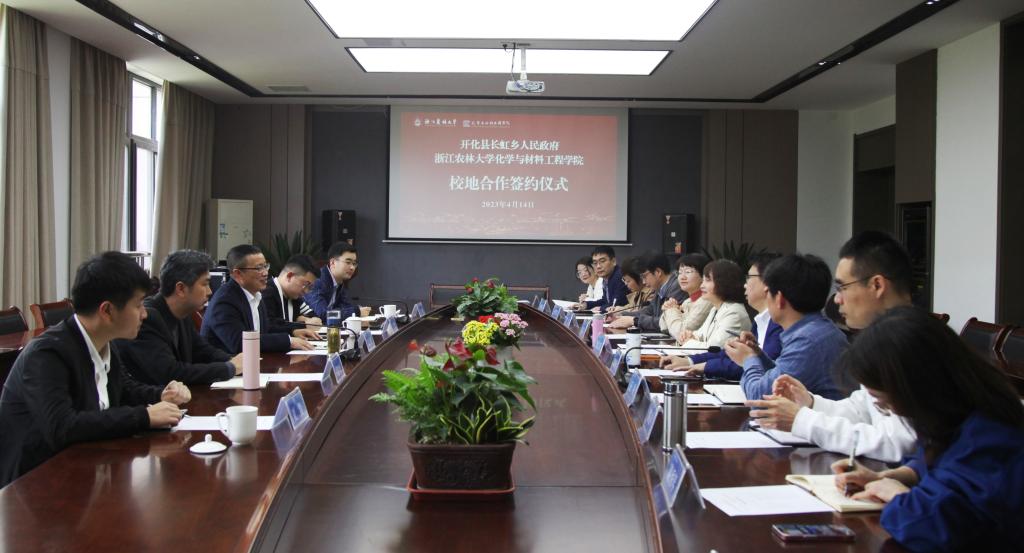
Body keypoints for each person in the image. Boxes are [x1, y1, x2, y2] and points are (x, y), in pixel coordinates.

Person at [831, 307, 1024, 552]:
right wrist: (891, 477)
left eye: (884, 402)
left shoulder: (991, 435)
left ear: (918, 387)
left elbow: (935, 528)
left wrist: (899, 498)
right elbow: (937, 461)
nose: (892, 411)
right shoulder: (958, 411)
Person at [0, 252, 191, 487]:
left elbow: (125, 390)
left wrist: (162, 394)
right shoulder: (47, 354)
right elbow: (62, 426)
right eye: (138, 305)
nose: (145, 313)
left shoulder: (103, 341)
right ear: (107, 310)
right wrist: (144, 416)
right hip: (34, 485)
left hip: (85, 469)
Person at [746, 231, 918, 462]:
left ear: (877, 285)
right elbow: (862, 410)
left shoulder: (911, 341)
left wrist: (801, 420)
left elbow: (900, 444)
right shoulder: (884, 337)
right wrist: (810, 403)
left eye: (843, 287)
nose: (836, 299)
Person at [729, 254, 847, 401]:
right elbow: (781, 373)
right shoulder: (815, 330)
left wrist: (748, 359)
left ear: (779, 298)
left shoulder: (808, 340)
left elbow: (760, 397)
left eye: (767, 292)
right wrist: (758, 355)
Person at [118, 250, 242, 385]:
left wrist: (235, 360)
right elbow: (170, 373)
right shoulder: (147, 318)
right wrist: (230, 368)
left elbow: (203, 351)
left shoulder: (183, 313)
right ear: (181, 289)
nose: (210, 291)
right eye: (205, 284)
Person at [662, 253, 782, 380]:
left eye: (749, 277)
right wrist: (689, 360)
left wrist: (702, 362)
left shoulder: (736, 313)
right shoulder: (759, 320)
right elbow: (726, 353)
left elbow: (722, 351)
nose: (745, 284)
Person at [200, 244, 316, 354]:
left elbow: (264, 330)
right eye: (259, 268)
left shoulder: (256, 294)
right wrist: (288, 341)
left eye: (265, 266)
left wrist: (293, 331)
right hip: (227, 365)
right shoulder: (225, 301)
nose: (265, 273)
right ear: (238, 274)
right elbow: (239, 343)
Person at [675, 259, 751, 348]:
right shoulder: (715, 309)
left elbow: (715, 348)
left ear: (724, 283)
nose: (702, 286)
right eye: (703, 281)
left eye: (707, 280)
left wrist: (688, 342)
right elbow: (700, 335)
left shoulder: (734, 313)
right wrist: (689, 336)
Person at [607, 253, 687, 331]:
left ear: (658, 272)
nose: (643, 282)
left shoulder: (677, 287)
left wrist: (634, 321)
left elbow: (664, 322)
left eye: (644, 276)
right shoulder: (660, 288)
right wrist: (620, 315)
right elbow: (648, 311)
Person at [304, 242, 369, 321]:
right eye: (348, 262)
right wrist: (355, 312)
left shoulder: (339, 282)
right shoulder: (318, 280)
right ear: (333, 262)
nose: (352, 267)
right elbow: (324, 314)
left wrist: (357, 311)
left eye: (354, 263)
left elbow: (346, 307)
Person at [262, 254, 322, 331]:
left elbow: (315, 318)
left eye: (310, 287)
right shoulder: (267, 292)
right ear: (289, 276)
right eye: (305, 284)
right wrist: (303, 325)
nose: (306, 291)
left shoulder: (295, 297)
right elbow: (270, 325)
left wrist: (302, 320)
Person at [660, 253, 713, 338]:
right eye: (680, 273)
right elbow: (664, 328)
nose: (682, 277)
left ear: (704, 276)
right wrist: (669, 309)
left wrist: (671, 310)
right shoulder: (687, 302)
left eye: (688, 272)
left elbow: (680, 333)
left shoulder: (706, 301)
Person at [580, 246, 628, 311]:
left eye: (602, 261)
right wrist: (586, 305)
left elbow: (616, 304)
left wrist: (601, 308)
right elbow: (605, 301)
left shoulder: (619, 277)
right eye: (595, 263)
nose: (598, 266)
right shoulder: (606, 278)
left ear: (613, 261)